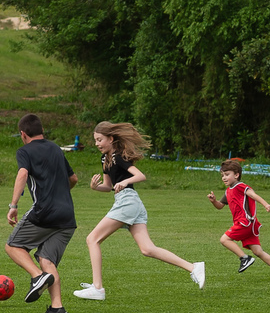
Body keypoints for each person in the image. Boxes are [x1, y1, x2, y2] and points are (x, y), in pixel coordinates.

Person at [72, 122, 205, 301]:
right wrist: (95, 187)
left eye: (100, 140)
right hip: (129, 202)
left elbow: (140, 176)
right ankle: (193, 267)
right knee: (147, 249)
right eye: (95, 140)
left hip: (128, 201)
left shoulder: (119, 157)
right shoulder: (105, 159)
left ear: (111, 139)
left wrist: (126, 182)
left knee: (92, 239)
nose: (96, 144)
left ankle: (97, 288)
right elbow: (108, 186)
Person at [4, 113, 78, 313]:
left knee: (12, 246)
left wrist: (14, 205)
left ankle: (37, 277)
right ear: (41, 131)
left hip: (44, 212)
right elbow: (73, 178)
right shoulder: (55, 148)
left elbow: (22, 174)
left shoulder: (25, 151)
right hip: (67, 216)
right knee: (46, 259)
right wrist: (61, 193)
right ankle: (57, 309)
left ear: (23, 134)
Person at [207, 160, 270, 282]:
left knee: (224, 239)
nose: (224, 177)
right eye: (222, 175)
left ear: (236, 175)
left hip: (244, 222)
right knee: (258, 251)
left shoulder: (240, 186)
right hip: (247, 225)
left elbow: (253, 195)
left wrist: (266, 204)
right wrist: (214, 201)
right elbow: (220, 206)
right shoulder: (228, 191)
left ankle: (244, 258)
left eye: (227, 174)